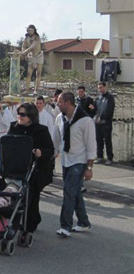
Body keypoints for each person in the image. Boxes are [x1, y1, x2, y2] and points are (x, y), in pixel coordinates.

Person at [53, 92, 96, 238]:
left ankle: (65, 225)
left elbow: (91, 146)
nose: (57, 104)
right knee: (75, 192)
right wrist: (51, 155)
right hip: (66, 160)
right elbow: (56, 139)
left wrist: (89, 168)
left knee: (69, 191)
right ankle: (84, 222)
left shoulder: (85, 121)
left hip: (79, 161)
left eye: (59, 102)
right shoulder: (60, 118)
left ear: (68, 103)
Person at [7, 102, 54, 233]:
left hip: (36, 168)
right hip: (16, 166)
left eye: (23, 114)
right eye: (18, 113)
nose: (19, 117)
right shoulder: (14, 127)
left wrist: (40, 152)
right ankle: (7, 220)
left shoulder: (41, 130)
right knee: (10, 192)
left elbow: (50, 149)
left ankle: (30, 224)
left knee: (31, 196)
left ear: (31, 116)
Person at [92, 82, 115, 165]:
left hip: (106, 123)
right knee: (99, 140)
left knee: (107, 141)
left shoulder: (110, 98)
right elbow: (95, 109)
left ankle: (109, 158)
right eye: (99, 88)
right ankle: (100, 157)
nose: (100, 89)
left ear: (105, 87)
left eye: (101, 87)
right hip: (97, 123)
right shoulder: (98, 98)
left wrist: (101, 117)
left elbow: (109, 110)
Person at [20, 24, 43, 93]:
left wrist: (25, 52)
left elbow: (32, 46)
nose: (30, 32)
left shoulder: (37, 37)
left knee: (38, 73)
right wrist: (23, 52)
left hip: (39, 56)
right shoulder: (26, 38)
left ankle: (36, 89)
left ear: (34, 31)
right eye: (29, 30)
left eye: (31, 30)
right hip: (31, 56)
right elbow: (23, 46)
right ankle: (27, 89)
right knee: (29, 74)